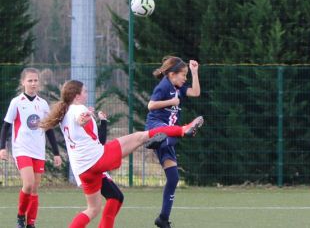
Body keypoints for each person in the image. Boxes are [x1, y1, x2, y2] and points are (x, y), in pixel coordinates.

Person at [39, 79, 203, 228]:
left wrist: (88, 118)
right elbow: (79, 117)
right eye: (85, 91)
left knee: (96, 207)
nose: (86, 94)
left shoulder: (64, 113)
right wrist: (83, 117)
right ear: (76, 96)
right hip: (98, 159)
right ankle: (183, 129)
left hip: (83, 170)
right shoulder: (78, 109)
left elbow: (80, 122)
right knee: (141, 136)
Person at [0, 68, 62, 228]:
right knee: (28, 184)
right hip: (22, 149)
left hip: (38, 151)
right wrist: (2, 147)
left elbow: (48, 129)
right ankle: (21, 216)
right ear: (23, 83)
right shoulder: (17, 102)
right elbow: (6, 126)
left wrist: (56, 153)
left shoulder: (42, 104)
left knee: (34, 188)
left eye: (35, 80)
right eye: (30, 80)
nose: (33, 83)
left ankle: (31, 223)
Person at [145, 56, 202, 228]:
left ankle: (163, 218)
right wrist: (171, 102)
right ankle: (162, 139)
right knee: (174, 133)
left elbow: (196, 92)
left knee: (173, 178)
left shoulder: (179, 88)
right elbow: (151, 105)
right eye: (183, 74)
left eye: (186, 74)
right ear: (171, 74)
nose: (185, 78)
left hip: (167, 138)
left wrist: (194, 72)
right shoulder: (164, 85)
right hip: (157, 126)